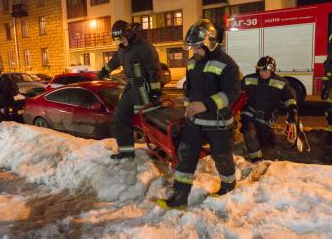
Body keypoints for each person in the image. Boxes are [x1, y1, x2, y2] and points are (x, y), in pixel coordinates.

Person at [158, 19, 241, 209]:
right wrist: (188, 109)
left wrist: (205, 104)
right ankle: (179, 198)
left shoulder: (227, 64)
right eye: (192, 48)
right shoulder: (193, 63)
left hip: (218, 124)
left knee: (221, 157)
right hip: (195, 122)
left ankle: (228, 188)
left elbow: (232, 93)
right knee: (185, 156)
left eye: (196, 47)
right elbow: (189, 90)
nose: (193, 51)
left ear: (209, 42)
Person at [97, 20, 161, 160]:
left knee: (148, 120)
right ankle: (126, 152)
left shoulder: (145, 48)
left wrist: (156, 91)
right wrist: (104, 71)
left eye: (121, 38)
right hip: (131, 87)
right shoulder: (122, 48)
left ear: (128, 34)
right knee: (120, 115)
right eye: (117, 40)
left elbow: (154, 70)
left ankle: (161, 149)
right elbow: (114, 61)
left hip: (145, 89)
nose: (119, 42)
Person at [240, 56, 298, 162]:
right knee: (249, 131)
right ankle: (256, 160)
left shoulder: (281, 83)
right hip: (249, 112)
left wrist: (292, 112)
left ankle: (265, 158)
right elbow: (236, 92)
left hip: (267, 117)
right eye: (260, 70)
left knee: (267, 143)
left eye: (265, 70)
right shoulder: (248, 79)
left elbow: (289, 99)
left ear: (272, 70)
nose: (262, 73)